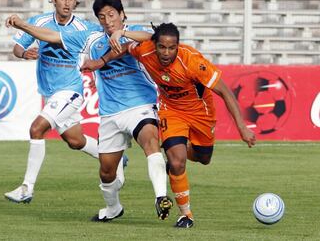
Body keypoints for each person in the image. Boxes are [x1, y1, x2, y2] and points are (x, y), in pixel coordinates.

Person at [5, 0, 173, 222]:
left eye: (112, 15)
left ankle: (161, 197)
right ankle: (113, 208)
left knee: (150, 141)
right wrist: (23, 25)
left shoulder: (133, 32)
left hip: (140, 105)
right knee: (106, 172)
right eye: (102, 16)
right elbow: (52, 36)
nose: (107, 20)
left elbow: (154, 37)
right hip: (110, 112)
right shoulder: (90, 37)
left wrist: (119, 37)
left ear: (122, 15)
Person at [81, 22, 256, 228]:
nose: (166, 52)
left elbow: (225, 92)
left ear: (178, 46)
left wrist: (242, 127)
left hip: (201, 113)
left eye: (171, 48)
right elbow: (127, 48)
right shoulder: (145, 51)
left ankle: (176, 159)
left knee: (203, 157)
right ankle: (186, 214)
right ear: (155, 45)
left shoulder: (193, 62)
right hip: (170, 111)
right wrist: (102, 61)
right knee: (177, 161)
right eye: (162, 47)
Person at [4, 0, 111, 204]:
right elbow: (17, 46)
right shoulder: (39, 22)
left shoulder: (84, 28)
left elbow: (107, 34)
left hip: (70, 90)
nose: (67, 3)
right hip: (51, 92)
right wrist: (24, 53)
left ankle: (27, 188)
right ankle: (114, 157)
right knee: (76, 141)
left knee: (37, 129)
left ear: (76, 2)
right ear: (53, 0)